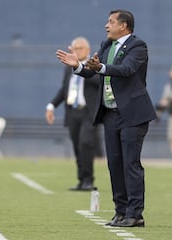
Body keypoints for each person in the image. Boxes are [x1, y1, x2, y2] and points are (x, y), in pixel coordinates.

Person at [56, 9, 157, 227]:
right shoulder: (106, 45)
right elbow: (92, 71)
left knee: (131, 164)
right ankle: (120, 211)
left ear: (124, 25)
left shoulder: (138, 46)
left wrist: (100, 67)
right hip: (110, 114)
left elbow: (126, 69)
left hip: (132, 114)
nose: (106, 25)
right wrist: (79, 66)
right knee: (114, 164)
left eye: (110, 21)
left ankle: (135, 214)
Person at [46, 37, 100, 191]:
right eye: (74, 48)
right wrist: (51, 106)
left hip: (89, 112)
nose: (76, 51)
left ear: (88, 50)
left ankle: (89, 180)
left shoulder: (94, 65)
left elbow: (99, 82)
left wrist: (82, 68)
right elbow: (64, 90)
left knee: (85, 143)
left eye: (80, 48)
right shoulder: (67, 68)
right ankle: (81, 180)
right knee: (77, 146)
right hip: (72, 112)